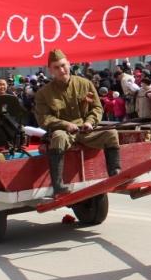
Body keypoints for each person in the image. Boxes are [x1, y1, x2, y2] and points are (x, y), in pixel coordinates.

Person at [34, 49, 120, 195]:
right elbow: (44, 119)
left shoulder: (85, 84)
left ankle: (116, 174)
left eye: (63, 65)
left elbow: (97, 108)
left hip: (85, 130)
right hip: (64, 132)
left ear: (69, 64)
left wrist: (90, 122)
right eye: (56, 67)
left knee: (111, 133)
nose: (61, 70)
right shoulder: (43, 93)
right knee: (59, 137)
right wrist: (65, 125)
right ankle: (58, 185)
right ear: (50, 70)